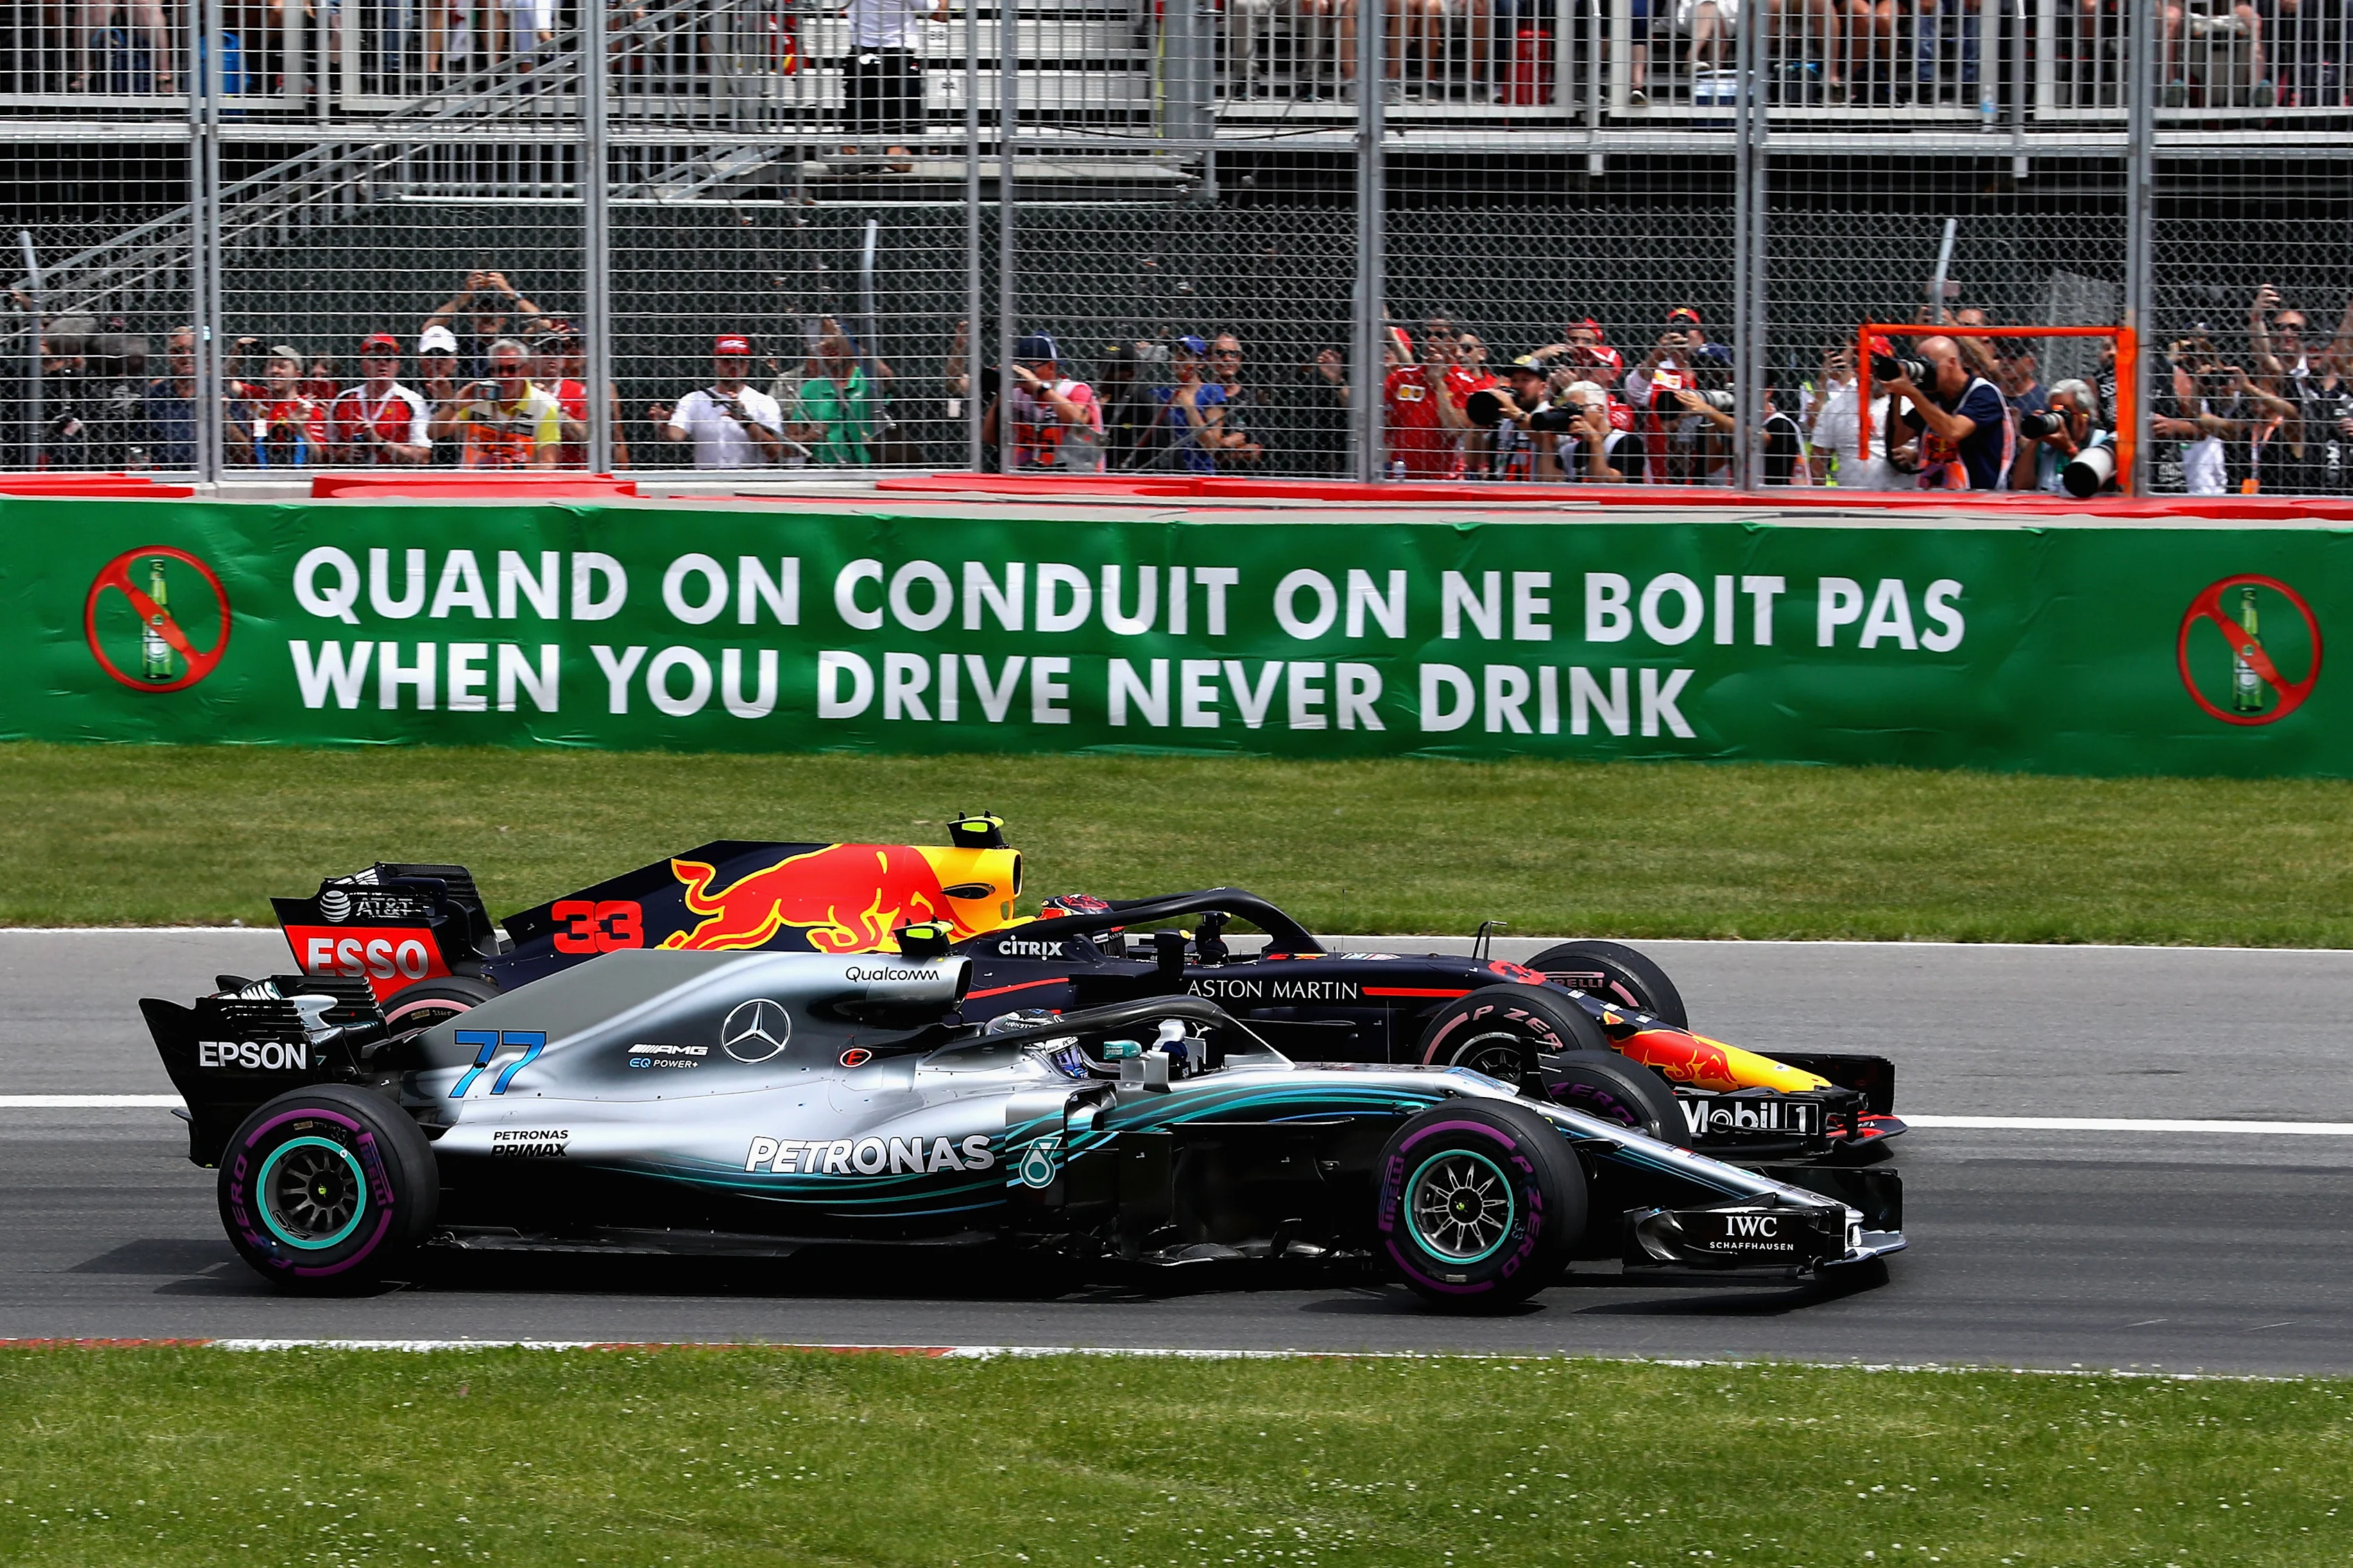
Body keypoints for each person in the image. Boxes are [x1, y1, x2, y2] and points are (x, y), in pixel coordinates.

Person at [1880, 334, 2012, 490]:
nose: (1925, 371)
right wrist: (1897, 396)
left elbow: (1954, 431)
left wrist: (1912, 394)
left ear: (1952, 363)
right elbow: (1898, 440)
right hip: (1934, 496)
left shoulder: (1984, 394)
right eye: (1920, 364)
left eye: (1930, 364)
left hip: (1978, 499)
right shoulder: (1933, 396)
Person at [649, 333, 791, 469]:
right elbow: (676, 436)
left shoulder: (764, 402)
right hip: (707, 481)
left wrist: (747, 423)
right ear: (715, 362)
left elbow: (775, 451)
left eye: (740, 361)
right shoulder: (694, 400)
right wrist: (664, 426)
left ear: (748, 365)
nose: (734, 366)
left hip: (750, 480)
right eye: (727, 360)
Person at [428, 336, 561, 469]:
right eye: (498, 370)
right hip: (473, 482)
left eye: (512, 369)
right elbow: (433, 433)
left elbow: (548, 463)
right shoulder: (478, 394)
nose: (504, 375)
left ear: (526, 370)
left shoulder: (545, 405)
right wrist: (454, 405)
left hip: (518, 485)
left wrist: (509, 471)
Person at [844, 0, 945, 170]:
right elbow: (941, 14)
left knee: (856, 135)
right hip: (898, 60)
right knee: (903, 147)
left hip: (861, 58)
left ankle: (866, 155)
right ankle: (881, 154)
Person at [983, 333, 1104, 472]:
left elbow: (1079, 420)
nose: (1025, 375)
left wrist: (1039, 388)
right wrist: (1000, 395)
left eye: (1030, 369)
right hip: (1026, 475)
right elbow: (990, 438)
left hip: (1077, 475)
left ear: (1051, 366)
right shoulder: (1016, 394)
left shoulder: (1075, 389)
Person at [324, 332, 432, 466]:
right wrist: (341, 455)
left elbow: (423, 457)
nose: (382, 363)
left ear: (397, 365)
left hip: (394, 479)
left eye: (389, 358)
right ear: (363, 364)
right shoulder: (344, 400)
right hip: (352, 478)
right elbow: (326, 449)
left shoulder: (413, 401)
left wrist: (380, 442)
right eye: (375, 358)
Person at [422, 269, 545, 377]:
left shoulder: (515, 343)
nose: (487, 316)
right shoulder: (459, 344)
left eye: (494, 311)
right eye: (481, 312)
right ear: (471, 315)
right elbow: (429, 329)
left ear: (504, 317)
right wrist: (466, 295)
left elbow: (544, 325)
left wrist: (509, 292)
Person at [794, 322, 878, 465]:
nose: (829, 344)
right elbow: (789, 443)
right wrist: (809, 437)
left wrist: (848, 343)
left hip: (870, 470)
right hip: (824, 474)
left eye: (836, 340)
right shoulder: (811, 389)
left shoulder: (869, 380)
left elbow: (888, 378)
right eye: (822, 339)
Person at [230, 344, 325, 469]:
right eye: (270, 366)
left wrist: (299, 429)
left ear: (298, 374)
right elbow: (226, 380)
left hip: (293, 475)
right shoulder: (258, 395)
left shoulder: (306, 407)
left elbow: (319, 457)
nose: (274, 371)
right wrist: (237, 352)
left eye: (282, 366)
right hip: (253, 472)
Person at [1147, 336, 1231, 474]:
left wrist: (1190, 408)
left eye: (1186, 355)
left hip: (1198, 471)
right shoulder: (1160, 393)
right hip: (1163, 471)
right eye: (1176, 354)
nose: (1178, 359)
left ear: (1201, 363)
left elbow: (1212, 445)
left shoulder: (1212, 392)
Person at [139, 325, 200, 470]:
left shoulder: (218, 392)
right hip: (168, 478)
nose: (186, 356)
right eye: (179, 351)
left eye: (193, 350)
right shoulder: (154, 397)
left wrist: (225, 418)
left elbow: (245, 451)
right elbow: (138, 442)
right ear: (169, 356)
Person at [1208, 331, 1268, 470]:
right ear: (1211, 359)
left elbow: (1255, 452)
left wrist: (1217, 450)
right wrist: (1227, 443)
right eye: (1220, 353)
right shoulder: (1202, 395)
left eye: (1233, 354)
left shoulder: (1252, 398)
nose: (1227, 359)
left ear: (1240, 359)